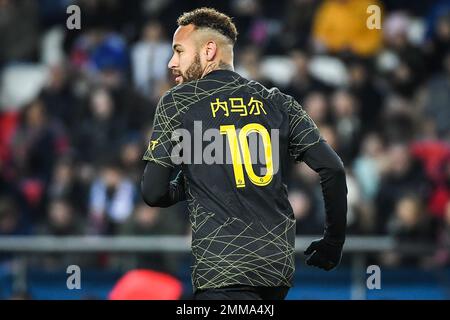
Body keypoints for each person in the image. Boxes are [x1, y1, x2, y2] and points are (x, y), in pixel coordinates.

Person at [141, 7, 347, 300]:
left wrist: (190, 182)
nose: (172, 62)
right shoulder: (278, 102)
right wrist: (333, 242)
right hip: (276, 274)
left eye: (179, 51)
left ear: (209, 50)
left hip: (221, 272)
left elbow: (153, 192)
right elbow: (333, 169)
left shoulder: (179, 101)